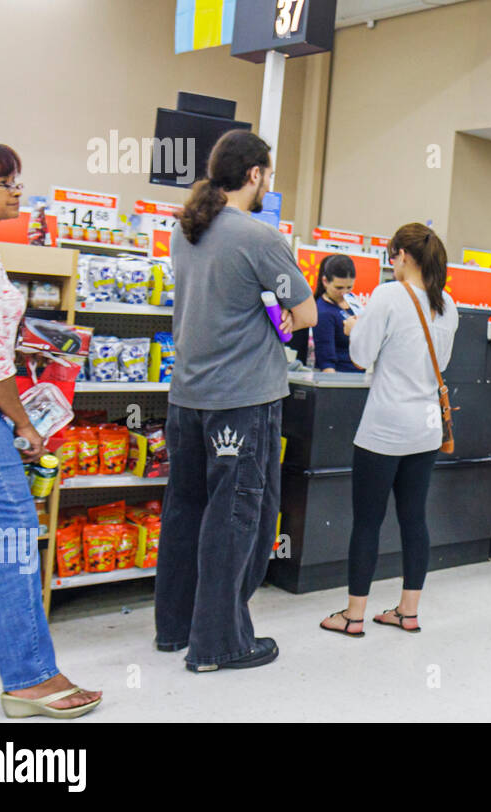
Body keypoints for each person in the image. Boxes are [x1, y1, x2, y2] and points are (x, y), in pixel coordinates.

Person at [0, 143, 101, 718]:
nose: (16, 191)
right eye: (6, 182)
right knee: (10, 541)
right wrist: (25, 422)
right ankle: (31, 679)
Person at [155, 130, 317, 673]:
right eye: (268, 175)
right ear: (256, 176)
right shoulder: (258, 236)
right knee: (236, 516)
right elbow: (308, 312)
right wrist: (284, 312)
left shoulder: (187, 230)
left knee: (185, 511)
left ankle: (175, 628)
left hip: (188, 397)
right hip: (243, 402)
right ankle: (219, 642)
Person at [320, 223, 457, 636]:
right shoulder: (446, 303)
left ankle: (354, 615)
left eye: (391, 255)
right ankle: (408, 611)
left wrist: (353, 329)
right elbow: (442, 364)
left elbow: (362, 356)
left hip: (385, 426)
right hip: (427, 428)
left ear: (401, 255)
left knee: (367, 521)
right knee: (414, 518)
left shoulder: (387, 295)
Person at [310, 254, 362, 373]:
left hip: (359, 374)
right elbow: (326, 361)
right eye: (338, 288)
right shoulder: (323, 312)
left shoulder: (352, 300)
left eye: (349, 287)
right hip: (340, 378)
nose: (344, 292)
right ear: (325, 281)